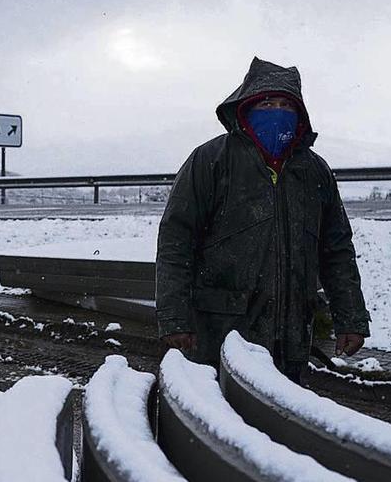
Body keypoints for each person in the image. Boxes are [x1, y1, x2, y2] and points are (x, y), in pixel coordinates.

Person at [155, 57, 370, 383]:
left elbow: (336, 250)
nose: (277, 111)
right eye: (267, 102)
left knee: (281, 422)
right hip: (220, 335)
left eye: (286, 104)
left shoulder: (315, 171)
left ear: (299, 115)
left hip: (292, 340)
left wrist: (351, 318)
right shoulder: (211, 160)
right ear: (247, 107)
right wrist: (174, 318)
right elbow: (176, 240)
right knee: (219, 424)